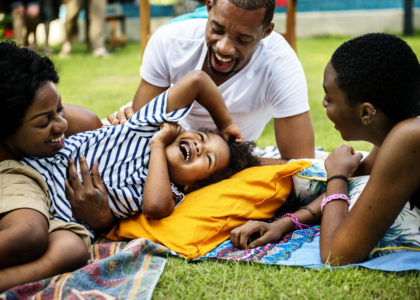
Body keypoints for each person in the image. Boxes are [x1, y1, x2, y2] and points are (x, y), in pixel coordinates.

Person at [230, 33, 420, 266]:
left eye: (329, 98)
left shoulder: (409, 137)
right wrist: (284, 224)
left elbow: (337, 254)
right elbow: (357, 178)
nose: (323, 104)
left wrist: (336, 176)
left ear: (366, 113)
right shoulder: (400, 126)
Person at [21, 69, 260, 237]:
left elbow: (155, 207)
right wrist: (226, 124)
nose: (199, 147)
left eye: (208, 158)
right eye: (200, 138)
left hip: (52, 211)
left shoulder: (170, 192)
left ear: (193, 187)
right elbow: (197, 80)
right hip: (39, 161)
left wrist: (158, 146)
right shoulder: (149, 125)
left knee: (58, 246)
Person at [106, 0, 315, 161]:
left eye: (242, 39)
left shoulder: (280, 65)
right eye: (217, 29)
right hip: (168, 145)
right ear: (209, 7)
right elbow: (139, 134)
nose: (224, 47)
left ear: (266, 32)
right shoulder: (170, 41)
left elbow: (301, 163)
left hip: (226, 158)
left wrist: (228, 161)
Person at [0, 41, 91, 292]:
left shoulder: (76, 123)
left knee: (71, 248)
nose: (61, 124)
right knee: (30, 235)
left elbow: (91, 126)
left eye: (59, 108)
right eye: (44, 122)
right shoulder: (11, 171)